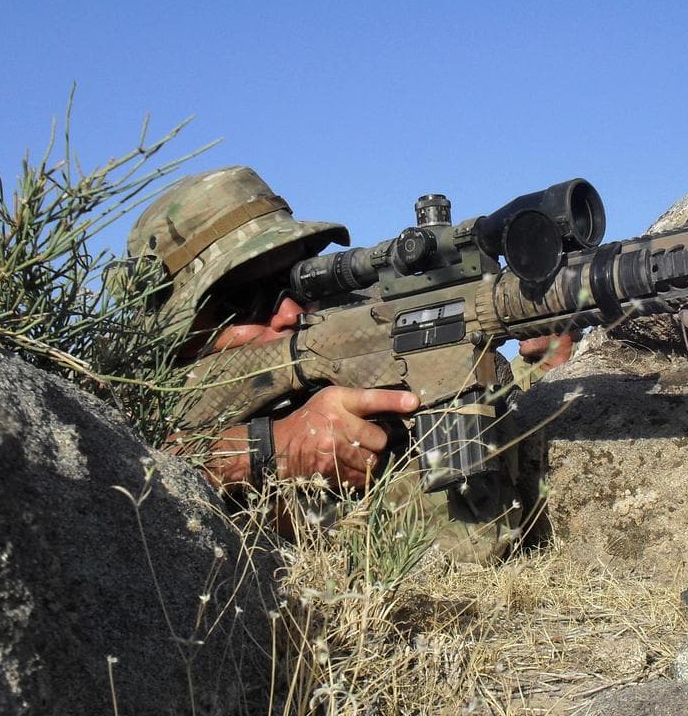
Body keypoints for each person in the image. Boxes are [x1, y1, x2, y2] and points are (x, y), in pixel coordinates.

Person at [124, 165, 571, 560]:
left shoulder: (357, 327)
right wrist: (268, 449)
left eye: (295, 282)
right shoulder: (127, 402)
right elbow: (130, 475)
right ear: (176, 329)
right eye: (243, 299)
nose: (289, 312)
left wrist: (546, 366)